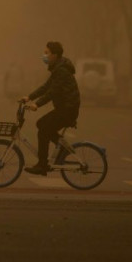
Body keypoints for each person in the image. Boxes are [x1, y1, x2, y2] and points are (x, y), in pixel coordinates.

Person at [20, 41, 80, 175]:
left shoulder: (62, 71)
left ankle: (42, 165)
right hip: (64, 109)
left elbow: (53, 92)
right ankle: (63, 148)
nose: (44, 55)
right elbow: (46, 87)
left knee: (43, 131)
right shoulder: (57, 69)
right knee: (41, 124)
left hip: (68, 110)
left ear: (55, 55)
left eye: (47, 53)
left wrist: (37, 104)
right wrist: (29, 97)